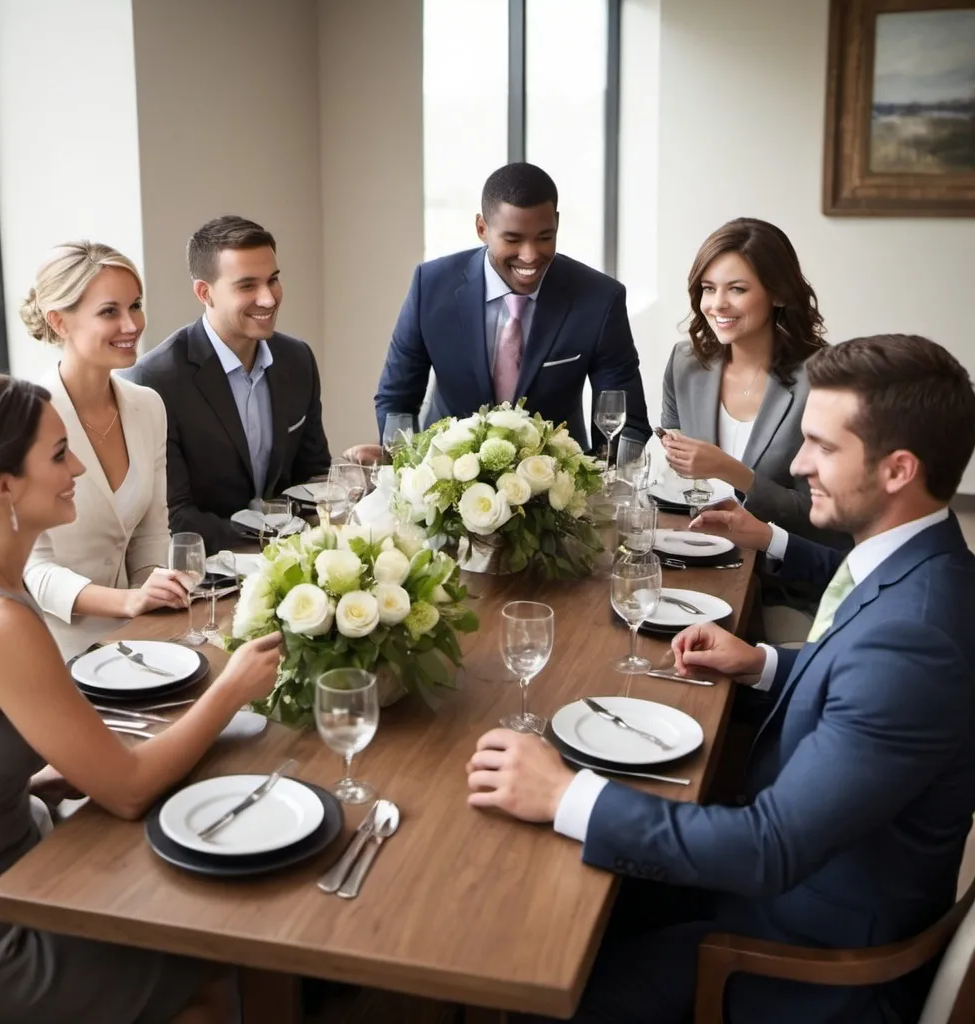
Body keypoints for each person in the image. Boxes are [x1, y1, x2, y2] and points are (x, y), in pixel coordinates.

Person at [466, 334, 975, 1024]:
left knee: (527, 970)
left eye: (823, 447)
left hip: (798, 963)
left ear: (898, 470)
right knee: (531, 904)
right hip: (791, 887)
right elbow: (857, 675)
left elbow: (768, 849)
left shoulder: (916, 641)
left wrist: (566, 795)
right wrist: (763, 662)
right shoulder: (922, 565)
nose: (797, 465)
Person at [0, 374, 284, 1022]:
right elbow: (128, 791)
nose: (76, 465)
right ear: (1, 485)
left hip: (30, 862)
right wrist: (231, 687)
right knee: (226, 951)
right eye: (56, 455)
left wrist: (49, 775)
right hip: (0, 920)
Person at [368, 162, 650, 454]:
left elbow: (626, 422)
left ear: (557, 224)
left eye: (544, 237)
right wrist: (409, 473)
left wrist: (605, 488)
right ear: (482, 228)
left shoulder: (599, 298)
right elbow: (396, 402)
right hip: (446, 478)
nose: (530, 256)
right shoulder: (431, 286)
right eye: (513, 239)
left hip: (560, 484)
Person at [20, 242, 190, 661]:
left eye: (135, 305)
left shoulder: (148, 406)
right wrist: (128, 602)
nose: (132, 324)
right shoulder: (25, 421)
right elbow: (33, 571)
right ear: (59, 321)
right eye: (109, 311)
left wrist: (156, 593)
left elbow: (152, 533)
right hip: (53, 649)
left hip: (138, 637)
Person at [122, 216, 331, 554]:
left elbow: (314, 476)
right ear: (205, 292)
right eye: (247, 286)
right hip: (208, 575)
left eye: (273, 280)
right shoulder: (156, 380)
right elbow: (175, 516)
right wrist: (270, 542)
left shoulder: (298, 358)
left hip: (294, 566)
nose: (268, 298)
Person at [660, 218, 827, 538]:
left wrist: (733, 472)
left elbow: (819, 514)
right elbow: (677, 480)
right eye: (709, 289)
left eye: (737, 289)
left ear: (778, 294)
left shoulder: (822, 381)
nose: (717, 304)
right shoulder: (684, 365)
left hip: (783, 567)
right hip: (700, 544)